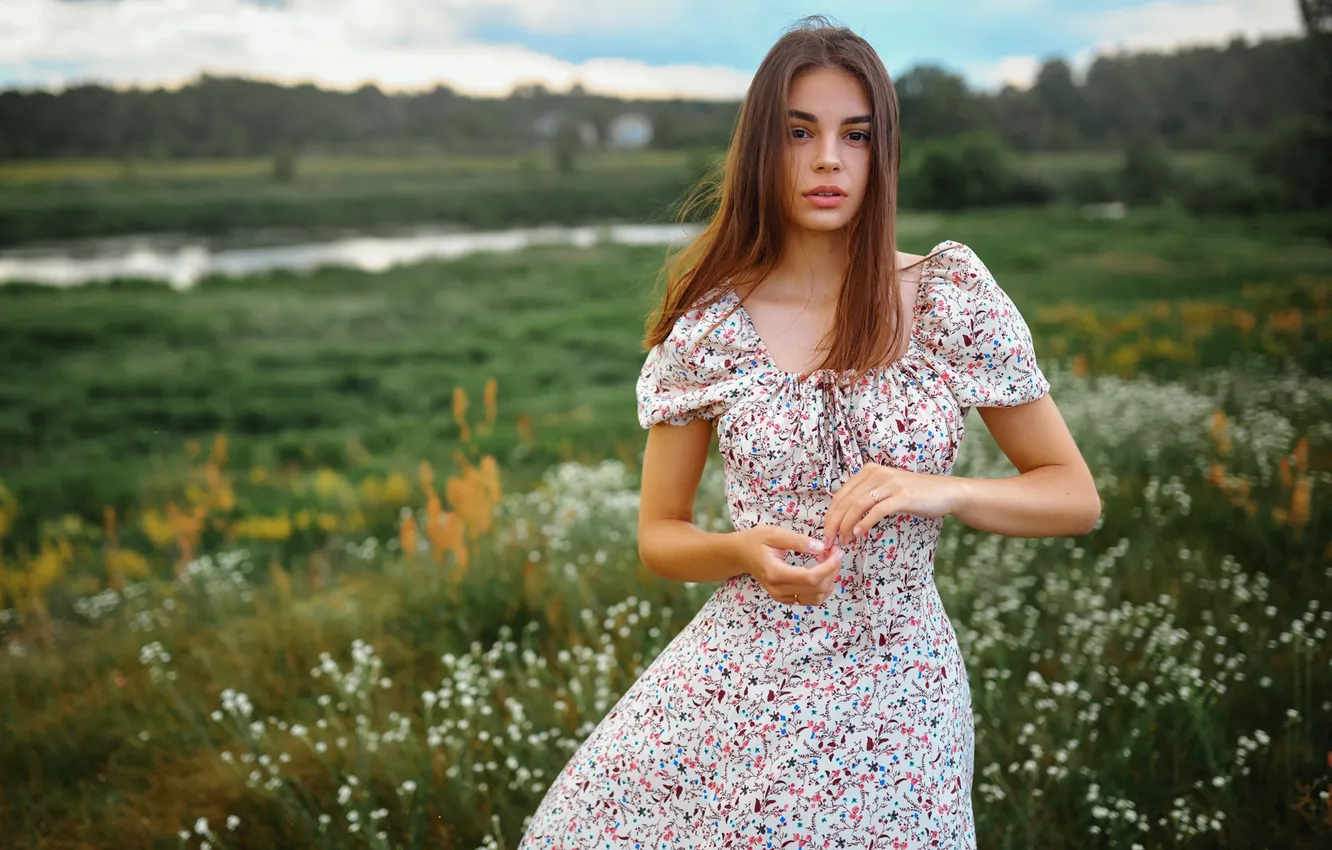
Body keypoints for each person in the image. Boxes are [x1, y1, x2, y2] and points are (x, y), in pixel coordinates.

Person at [519, 16, 1100, 850]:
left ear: (882, 153)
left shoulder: (949, 299)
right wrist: (744, 551)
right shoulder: (708, 326)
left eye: (854, 136)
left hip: (902, 694)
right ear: (764, 148)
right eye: (800, 133)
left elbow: (1074, 496)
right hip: (741, 685)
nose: (829, 159)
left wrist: (943, 489)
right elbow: (660, 536)